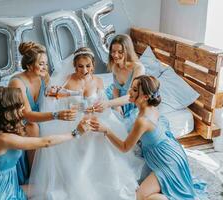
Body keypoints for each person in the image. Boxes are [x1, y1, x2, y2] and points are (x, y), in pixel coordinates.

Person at [29, 47, 143, 200]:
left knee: (101, 139)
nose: (85, 70)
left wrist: (99, 108)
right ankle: (79, 180)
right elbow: (55, 101)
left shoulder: (98, 81)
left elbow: (102, 105)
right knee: (79, 145)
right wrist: (57, 95)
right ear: (74, 66)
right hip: (73, 122)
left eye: (88, 66)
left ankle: (104, 179)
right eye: (80, 66)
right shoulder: (67, 80)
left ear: (93, 66)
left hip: (95, 120)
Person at [0, 42, 77, 187]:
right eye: (41, 63)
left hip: (38, 115)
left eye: (46, 63)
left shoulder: (43, 76)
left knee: (65, 123)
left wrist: (56, 92)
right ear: (29, 65)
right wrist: (56, 115)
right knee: (33, 127)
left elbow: (49, 94)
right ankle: (33, 173)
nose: (45, 67)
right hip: (19, 119)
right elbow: (26, 115)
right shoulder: (17, 83)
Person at [90, 75, 207, 200]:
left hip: (167, 161)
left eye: (135, 90)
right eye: (131, 88)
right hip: (173, 152)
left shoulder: (142, 120)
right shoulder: (150, 106)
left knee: (140, 197)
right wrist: (108, 104)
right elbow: (128, 100)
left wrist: (106, 130)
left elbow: (124, 147)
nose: (129, 91)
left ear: (145, 97)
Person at [0, 86, 88, 200]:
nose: (23, 108)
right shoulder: (3, 139)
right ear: (6, 112)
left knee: (49, 188)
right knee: (53, 193)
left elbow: (31, 120)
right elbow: (46, 142)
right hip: (0, 191)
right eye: (19, 106)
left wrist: (56, 115)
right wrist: (75, 133)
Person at [105, 34, 145, 118]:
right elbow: (115, 89)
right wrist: (117, 106)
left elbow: (131, 96)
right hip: (119, 99)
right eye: (113, 51)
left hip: (132, 101)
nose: (115, 55)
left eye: (120, 52)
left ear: (127, 51)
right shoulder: (115, 66)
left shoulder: (138, 68)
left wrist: (109, 104)